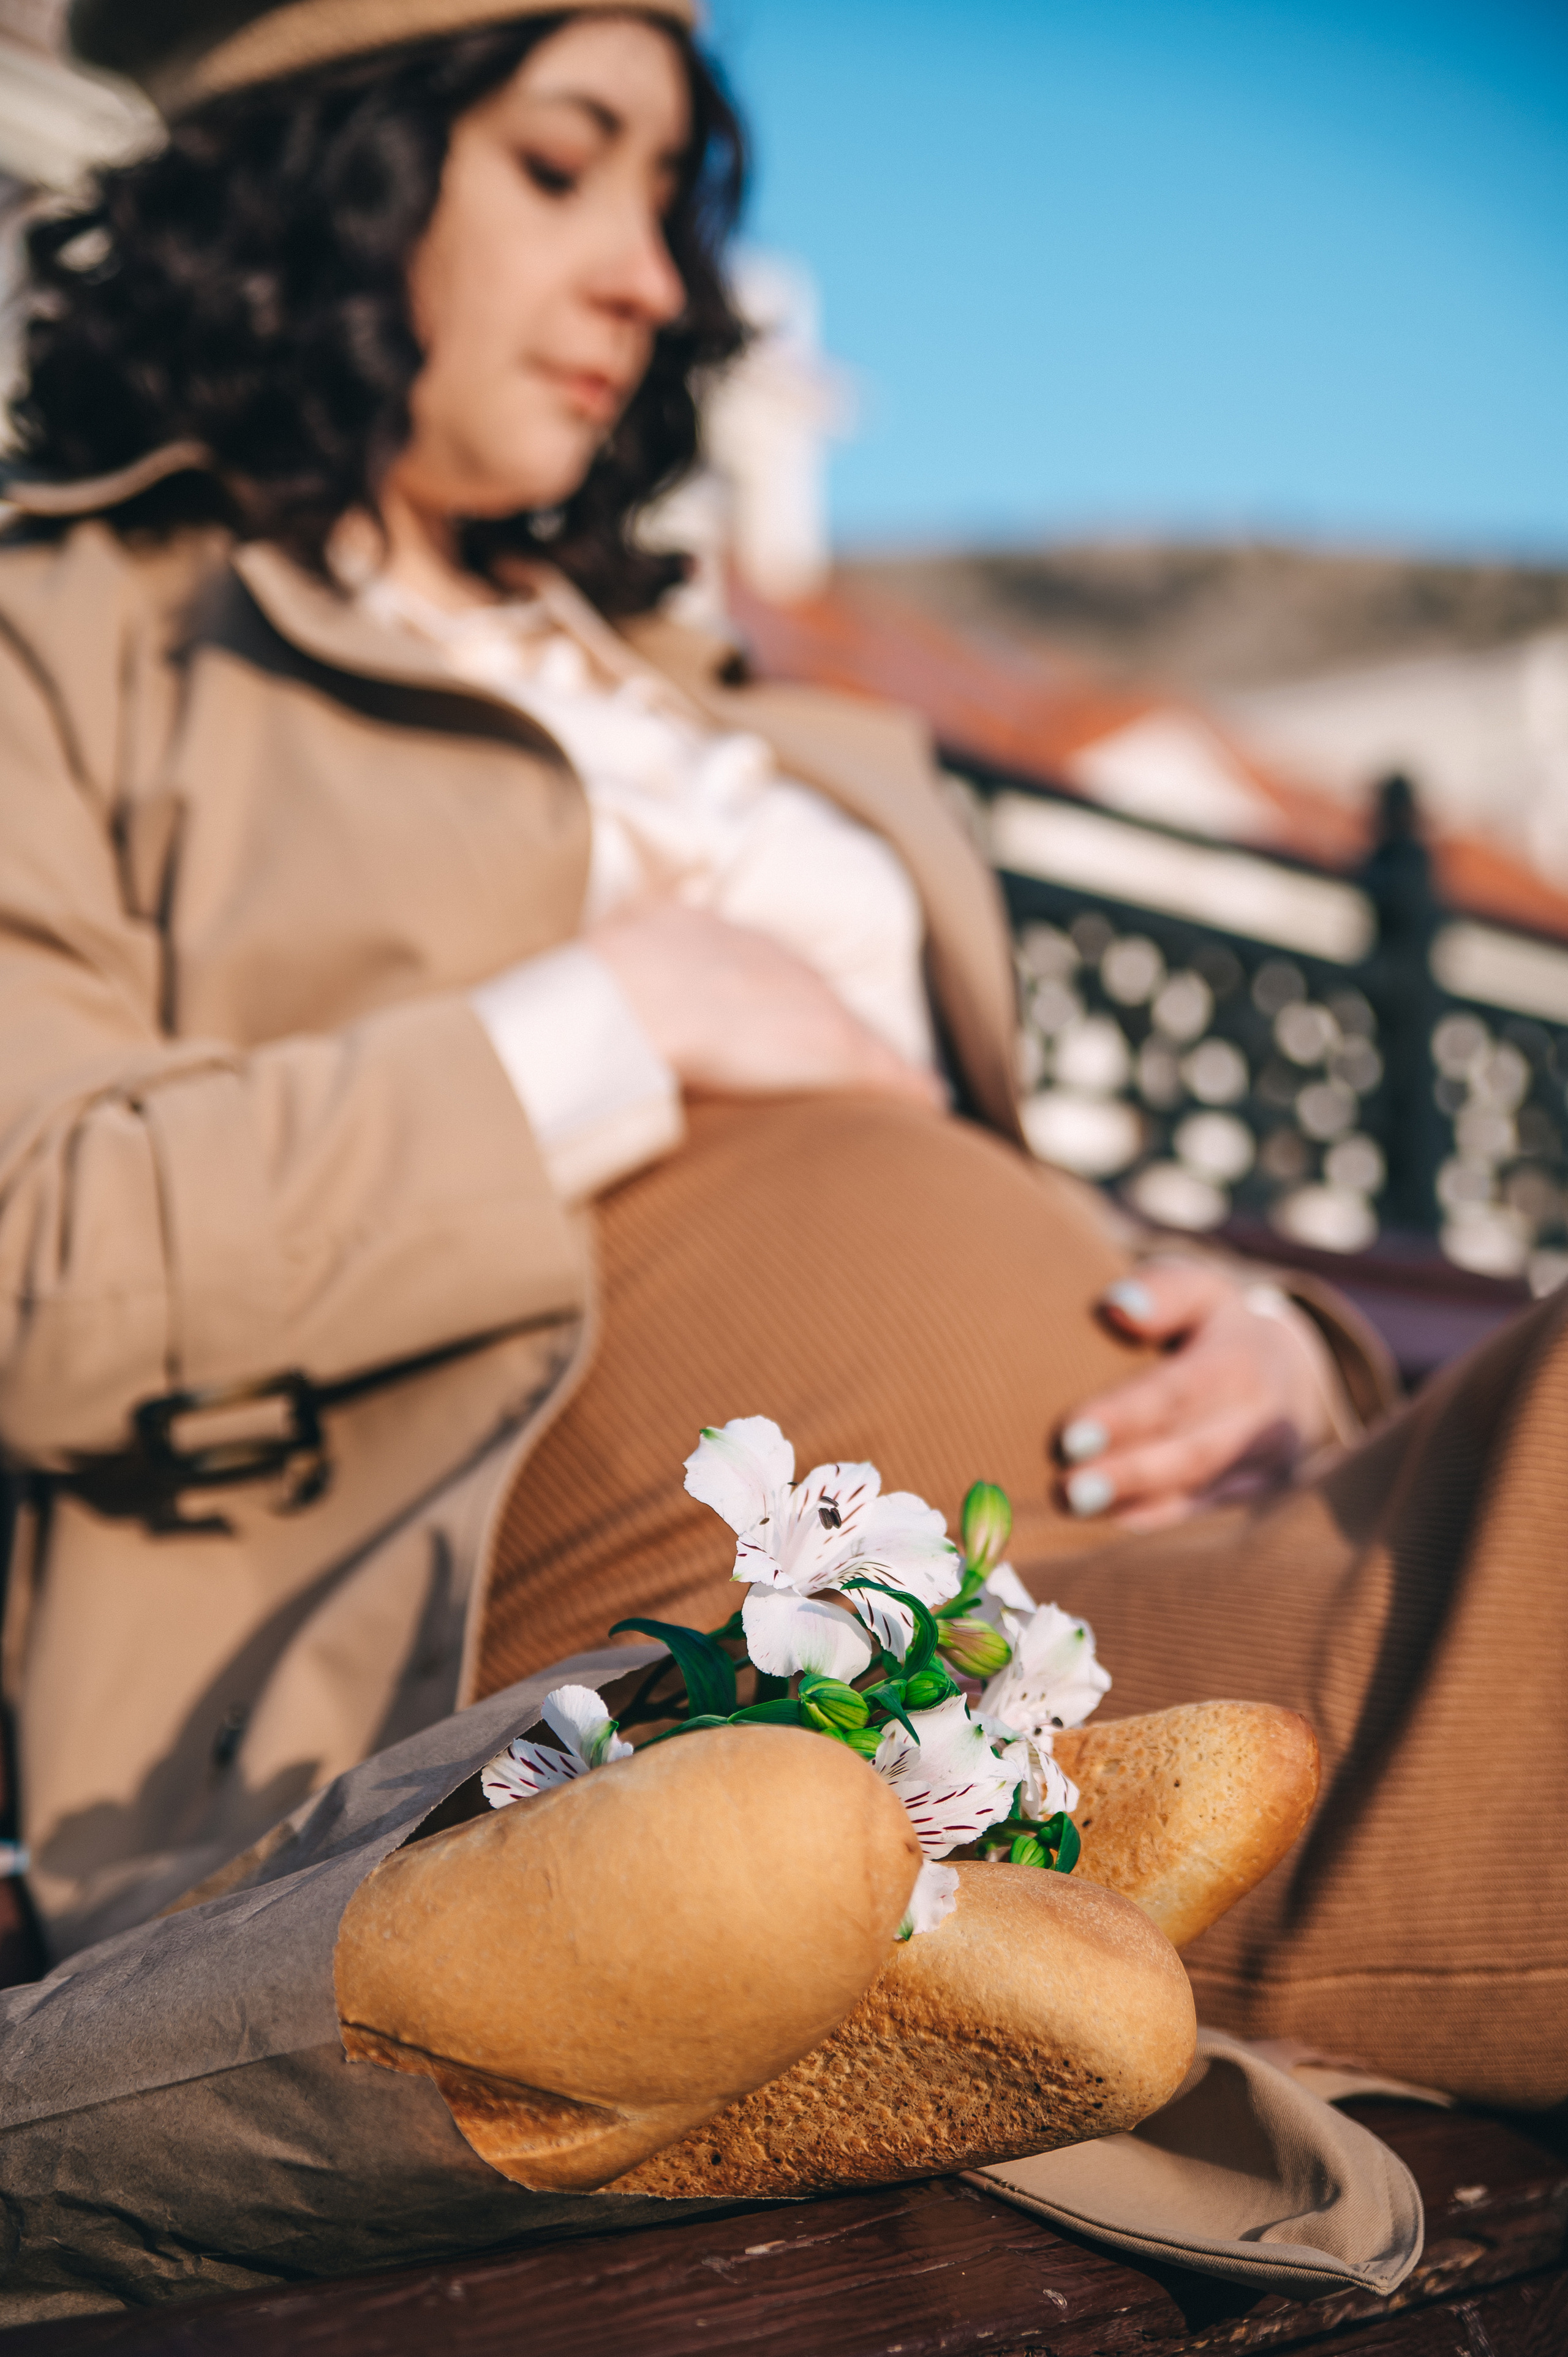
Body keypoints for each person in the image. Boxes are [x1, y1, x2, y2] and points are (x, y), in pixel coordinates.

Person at [0, 0, 1560, 2133]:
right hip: (617, 1708)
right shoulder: (79, 635)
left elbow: (999, 1189)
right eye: (563, 165)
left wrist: (1288, 1346)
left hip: (1119, 1598)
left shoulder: (726, 695)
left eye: (667, 197)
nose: (656, 276)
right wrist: (627, 1016)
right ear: (317, 169)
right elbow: (37, 1248)